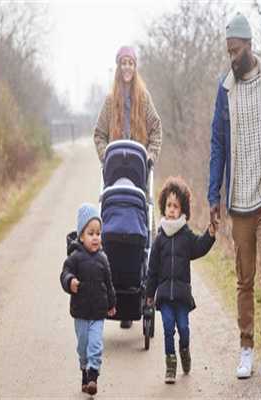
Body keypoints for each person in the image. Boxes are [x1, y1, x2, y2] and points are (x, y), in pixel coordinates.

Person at [208, 13, 261, 384]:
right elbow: (217, 143)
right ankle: (246, 348)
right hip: (238, 202)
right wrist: (214, 194)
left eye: (236, 50)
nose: (232, 57)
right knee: (245, 279)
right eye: (228, 51)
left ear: (249, 45)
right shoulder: (224, 89)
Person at [94, 45, 162, 329]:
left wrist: (150, 157)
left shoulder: (143, 99)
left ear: (135, 67)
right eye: (123, 63)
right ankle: (117, 291)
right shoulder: (110, 101)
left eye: (130, 63)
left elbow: (156, 130)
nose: (126, 68)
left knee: (145, 228)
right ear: (117, 66)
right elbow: (98, 134)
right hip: (115, 177)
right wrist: (105, 156)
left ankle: (141, 287)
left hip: (138, 174)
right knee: (112, 227)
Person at [146, 177, 216, 384]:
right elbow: (152, 270)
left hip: (182, 295)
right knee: (168, 328)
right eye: (168, 205)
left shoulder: (186, 236)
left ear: (182, 209)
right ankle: (170, 365)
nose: (171, 210)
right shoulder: (159, 239)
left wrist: (210, 235)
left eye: (175, 206)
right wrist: (149, 294)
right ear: (163, 207)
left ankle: (184, 351)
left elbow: (199, 247)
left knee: (183, 328)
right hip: (165, 295)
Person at [60, 203, 117, 395]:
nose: (95, 237)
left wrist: (112, 303)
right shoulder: (74, 258)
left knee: (95, 345)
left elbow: (109, 283)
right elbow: (65, 274)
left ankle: (93, 376)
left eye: (98, 233)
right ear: (81, 236)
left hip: (98, 313)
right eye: (91, 233)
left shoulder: (103, 259)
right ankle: (84, 370)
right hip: (81, 312)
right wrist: (70, 281)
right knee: (83, 346)